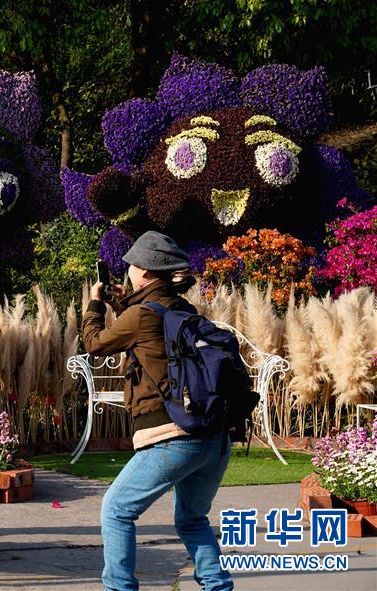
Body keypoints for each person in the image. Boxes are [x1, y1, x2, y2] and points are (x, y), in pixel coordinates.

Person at [82, 231, 233, 591]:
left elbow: (94, 344)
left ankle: (119, 588)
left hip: (172, 436)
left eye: (131, 265)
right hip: (213, 438)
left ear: (145, 271)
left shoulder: (141, 315)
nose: (127, 270)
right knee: (192, 519)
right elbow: (150, 338)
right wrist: (124, 304)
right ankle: (218, 586)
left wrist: (95, 305)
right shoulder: (182, 310)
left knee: (116, 510)